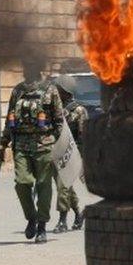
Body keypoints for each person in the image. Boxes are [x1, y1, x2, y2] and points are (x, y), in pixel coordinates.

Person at [0, 56, 66, 244]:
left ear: (38, 68)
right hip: (21, 145)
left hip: (44, 145)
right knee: (22, 183)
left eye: (30, 66)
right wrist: (2, 144)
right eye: (25, 66)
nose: (26, 70)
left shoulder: (50, 90)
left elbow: (59, 121)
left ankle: (42, 226)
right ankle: (32, 218)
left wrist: (60, 146)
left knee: (44, 186)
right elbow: (9, 120)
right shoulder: (18, 91)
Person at [52, 75, 87, 231]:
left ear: (65, 91)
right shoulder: (54, 107)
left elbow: (83, 135)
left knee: (63, 186)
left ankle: (62, 220)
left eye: (58, 89)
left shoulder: (79, 110)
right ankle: (78, 213)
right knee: (65, 186)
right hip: (56, 150)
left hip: (72, 152)